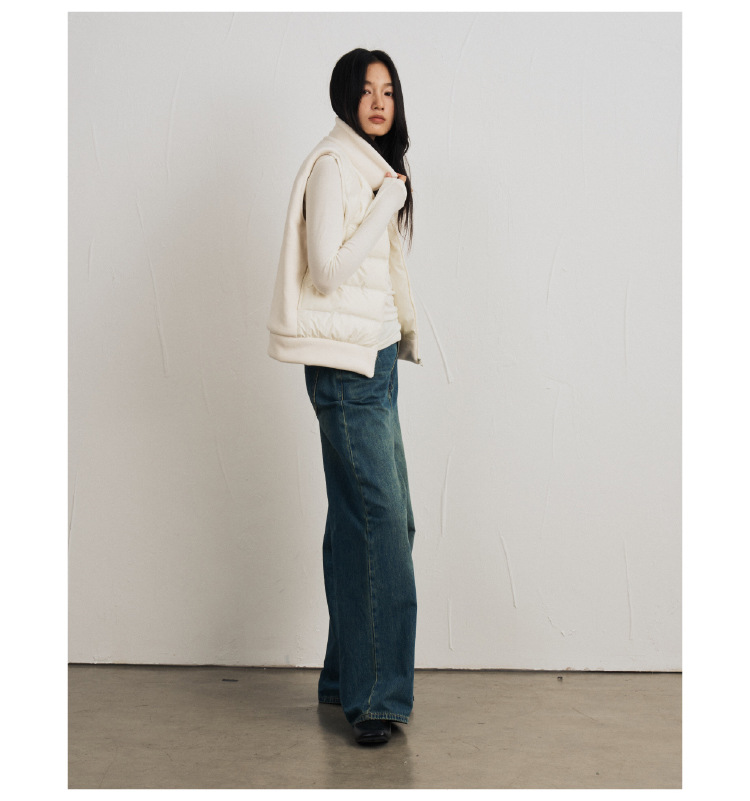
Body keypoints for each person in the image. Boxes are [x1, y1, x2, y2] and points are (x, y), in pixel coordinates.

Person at [266, 48, 423, 746]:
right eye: (367, 90)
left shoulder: (369, 167)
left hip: (374, 359)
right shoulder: (336, 166)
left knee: (373, 522)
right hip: (346, 369)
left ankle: (343, 677)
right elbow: (327, 271)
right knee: (380, 524)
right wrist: (388, 204)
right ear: (344, 98)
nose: (379, 101)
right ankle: (377, 698)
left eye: (388, 90)